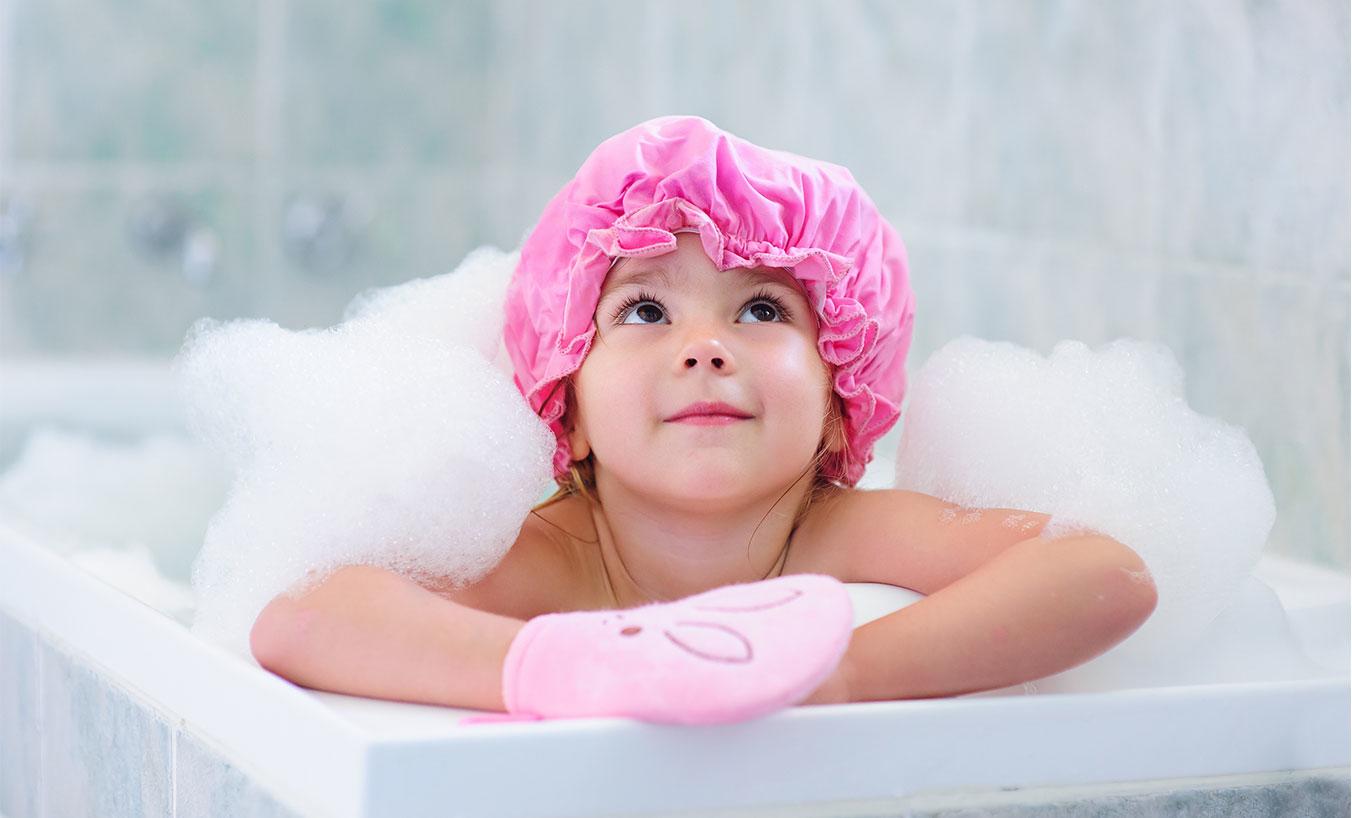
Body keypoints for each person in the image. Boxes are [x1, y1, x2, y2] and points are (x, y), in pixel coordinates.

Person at [249, 116, 1157, 726]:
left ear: (842, 409)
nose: (705, 347)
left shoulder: (838, 530)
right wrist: (579, 668)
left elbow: (1107, 575)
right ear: (570, 407)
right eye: (645, 312)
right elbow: (302, 619)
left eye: (762, 311)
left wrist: (839, 674)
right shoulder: (558, 555)